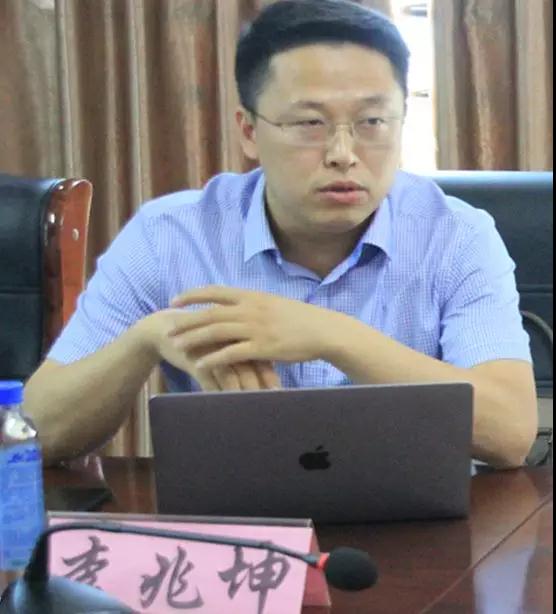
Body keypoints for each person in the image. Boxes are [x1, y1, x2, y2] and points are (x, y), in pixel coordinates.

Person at [24, 0, 537, 468]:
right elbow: (36, 432)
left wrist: (329, 336)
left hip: (424, 524)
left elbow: (510, 433)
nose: (343, 153)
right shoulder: (169, 237)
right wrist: (145, 339)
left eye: (372, 121)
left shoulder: (457, 236)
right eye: (310, 124)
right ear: (249, 131)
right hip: (237, 520)